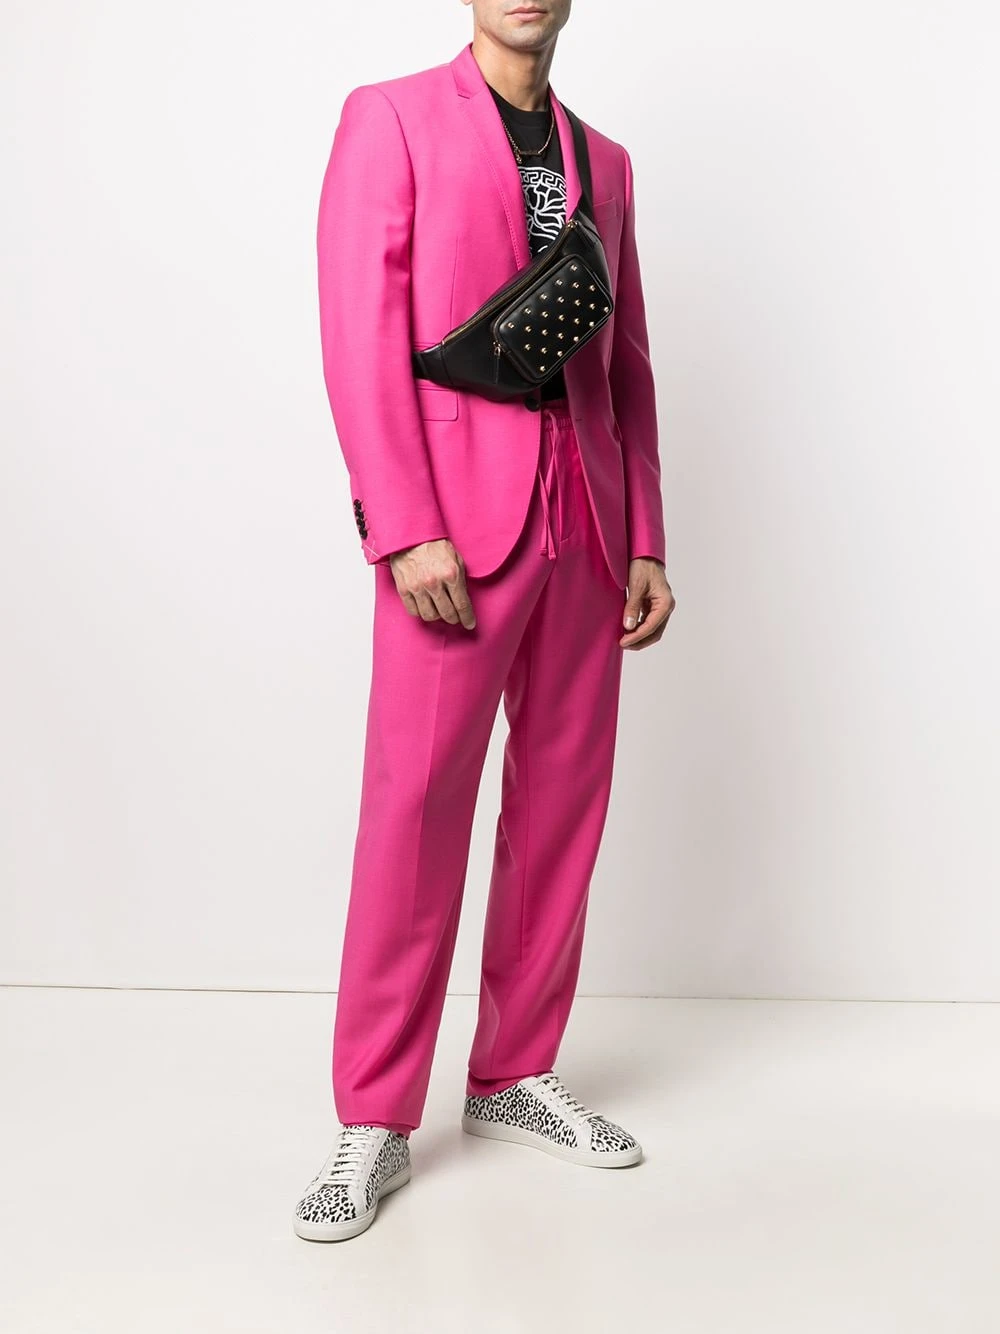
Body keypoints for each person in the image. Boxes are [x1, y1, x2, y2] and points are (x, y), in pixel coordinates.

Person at [293, 0, 675, 1243]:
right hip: (451, 527)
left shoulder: (604, 160)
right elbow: (359, 334)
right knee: (413, 811)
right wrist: (402, 525)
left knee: (561, 808)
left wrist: (646, 535)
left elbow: (625, 362)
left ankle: (514, 1072)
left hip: (585, 522)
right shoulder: (392, 121)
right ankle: (373, 1114)